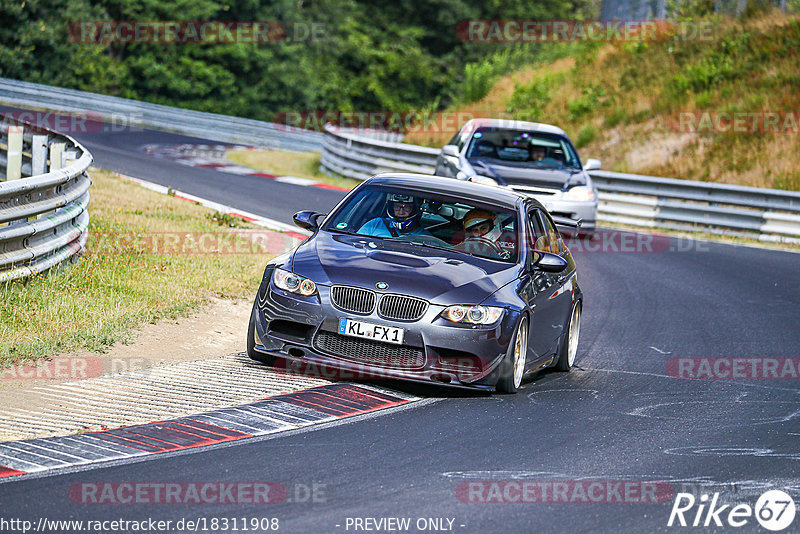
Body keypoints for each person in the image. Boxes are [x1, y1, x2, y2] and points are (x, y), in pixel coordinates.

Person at [358, 193, 433, 238]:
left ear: (415, 209)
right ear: (391, 207)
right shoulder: (375, 224)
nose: (401, 212)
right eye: (397, 207)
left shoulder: (426, 238)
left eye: (406, 208)